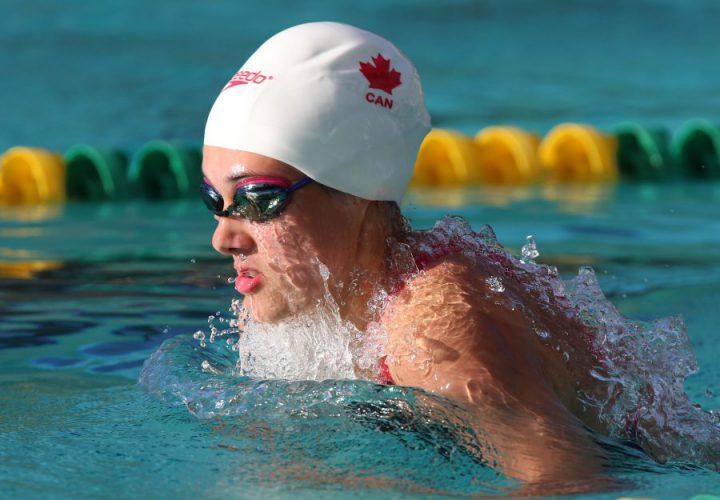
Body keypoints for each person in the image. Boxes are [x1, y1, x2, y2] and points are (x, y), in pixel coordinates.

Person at [200, 22, 717, 489]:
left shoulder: (438, 332)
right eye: (213, 200)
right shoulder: (293, 294)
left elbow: (572, 482)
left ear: (355, 190)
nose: (224, 237)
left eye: (259, 200)